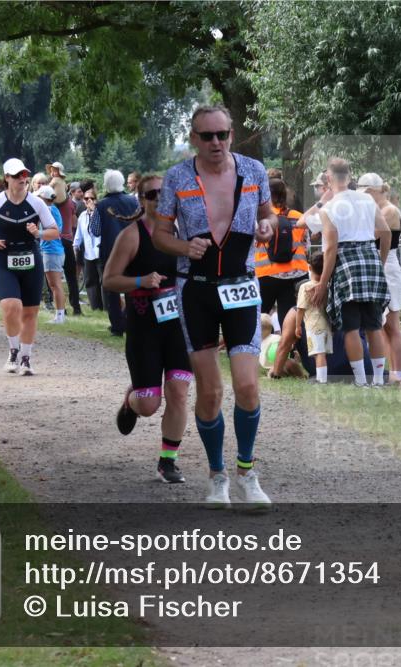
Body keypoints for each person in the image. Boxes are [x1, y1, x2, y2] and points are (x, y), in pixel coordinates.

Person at [150, 104, 275, 508]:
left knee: (248, 385)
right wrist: (185, 246)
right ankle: (217, 475)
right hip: (197, 290)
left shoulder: (254, 171)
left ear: (232, 134)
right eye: (208, 136)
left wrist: (267, 227)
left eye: (222, 134)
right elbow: (160, 234)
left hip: (241, 284)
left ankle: (247, 472)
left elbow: (267, 216)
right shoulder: (178, 177)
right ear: (194, 139)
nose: (216, 143)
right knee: (209, 392)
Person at [103, 175, 192, 484]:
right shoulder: (132, 235)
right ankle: (132, 400)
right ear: (141, 200)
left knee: (179, 392)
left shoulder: (185, 231)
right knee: (150, 404)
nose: (158, 198)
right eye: (151, 194)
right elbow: (108, 280)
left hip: (179, 326)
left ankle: (167, 461)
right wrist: (140, 281)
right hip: (144, 327)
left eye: (163, 193)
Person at [0, 158, 60, 376]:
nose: (22, 179)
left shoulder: (37, 203)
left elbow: (54, 231)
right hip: (4, 259)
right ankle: (13, 350)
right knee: (11, 307)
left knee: (30, 312)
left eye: (24, 175)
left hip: (31, 257)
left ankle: (26, 358)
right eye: (16, 176)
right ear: (7, 179)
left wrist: (38, 233)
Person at [309, 158, 391, 387]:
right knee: (374, 326)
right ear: (350, 175)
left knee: (351, 327)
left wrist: (323, 282)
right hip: (371, 260)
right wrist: (380, 262)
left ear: (328, 178)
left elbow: (331, 248)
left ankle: (361, 380)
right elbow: (385, 232)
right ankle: (378, 380)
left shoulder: (329, 208)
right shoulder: (367, 199)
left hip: (346, 263)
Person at [358, 173, 401, 385]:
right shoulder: (377, 210)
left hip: (388, 267)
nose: (366, 197)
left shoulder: (389, 211)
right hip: (378, 266)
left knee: (392, 325)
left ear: (377, 190)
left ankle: (400, 373)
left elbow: (370, 235)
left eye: (368, 192)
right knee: (382, 325)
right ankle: (391, 373)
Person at [255, 178, 308, 329]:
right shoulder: (298, 217)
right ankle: (293, 350)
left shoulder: (260, 219)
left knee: (259, 317)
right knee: (291, 318)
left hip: (266, 274)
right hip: (296, 274)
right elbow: (306, 245)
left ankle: (260, 349)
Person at [93, 170, 138, 336]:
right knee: (131, 288)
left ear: (106, 185)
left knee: (112, 290)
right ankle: (130, 321)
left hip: (110, 252)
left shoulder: (102, 205)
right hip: (133, 251)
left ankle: (117, 326)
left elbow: (95, 230)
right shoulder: (133, 201)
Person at [295, 251, 333, 383]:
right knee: (321, 353)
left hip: (313, 324)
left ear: (309, 268)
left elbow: (300, 309)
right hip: (326, 324)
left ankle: (321, 380)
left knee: (319, 353)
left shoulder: (305, 287)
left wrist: (297, 326)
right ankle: (321, 377)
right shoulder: (326, 286)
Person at [51, 175, 82, 316]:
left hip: (55, 242)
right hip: (68, 241)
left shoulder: (50, 205)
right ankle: (76, 307)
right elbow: (74, 223)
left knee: (55, 279)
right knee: (71, 277)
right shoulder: (71, 204)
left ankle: (60, 308)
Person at [35, 185, 67, 324]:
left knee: (55, 285)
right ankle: (59, 315)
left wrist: (38, 233)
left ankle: (59, 316)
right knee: (55, 284)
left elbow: (53, 231)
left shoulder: (48, 210)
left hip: (51, 250)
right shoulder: (54, 209)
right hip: (53, 250)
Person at [74, 187, 103, 310]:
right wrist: (75, 246)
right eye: (86, 198)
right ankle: (95, 307)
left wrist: (94, 211)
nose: (89, 200)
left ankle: (106, 306)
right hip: (88, 253)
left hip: (101, 252)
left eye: (92, 198)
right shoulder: (82, 215)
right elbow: (79, 234)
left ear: (96, 200)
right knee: (90, 281)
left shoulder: (101, 213)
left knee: (104, 281)